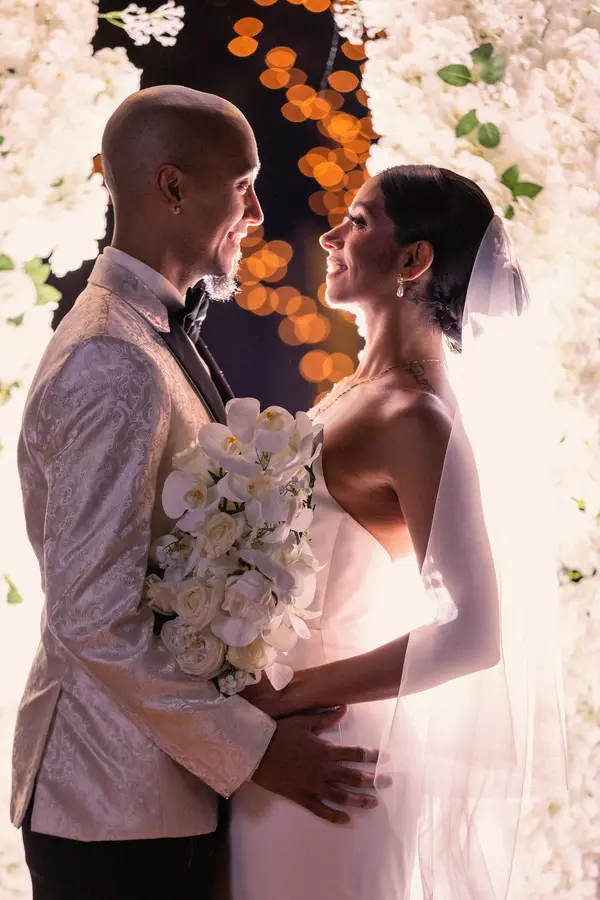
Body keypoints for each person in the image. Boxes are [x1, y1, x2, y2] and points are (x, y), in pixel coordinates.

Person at [11, 85, 378, 900]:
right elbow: (93, 615)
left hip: (155, 798)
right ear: (172, 187)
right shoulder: (112, 360)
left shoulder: (151, 332)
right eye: (243, 186)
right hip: (109, 805)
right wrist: (256, 751)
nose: (256, 213)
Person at [230, 165, 566, 899]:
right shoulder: (354, 393)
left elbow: (473, 634)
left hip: (332, 751)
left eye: (357, 220)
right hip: (281, 737)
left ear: (413, 259)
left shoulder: (413, 416)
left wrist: (289, 696)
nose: (330, 237)